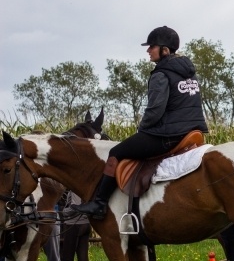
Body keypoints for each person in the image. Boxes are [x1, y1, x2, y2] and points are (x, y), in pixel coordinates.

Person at [74, 26, 208, 219]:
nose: (148, 50)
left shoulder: (161, 74)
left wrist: (141, 131)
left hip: (169, 135)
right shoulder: (188, 72)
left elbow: (155, 111)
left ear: (165, 50)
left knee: (116, 152)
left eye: (152, 46)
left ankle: (100, 203)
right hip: (191, 131)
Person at [59, 191, 93, 261]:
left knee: (67, 259)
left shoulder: (75, 190)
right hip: (86, 223)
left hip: (74, 224)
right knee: (84, 260)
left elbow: (75, 208)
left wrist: (63, 211)